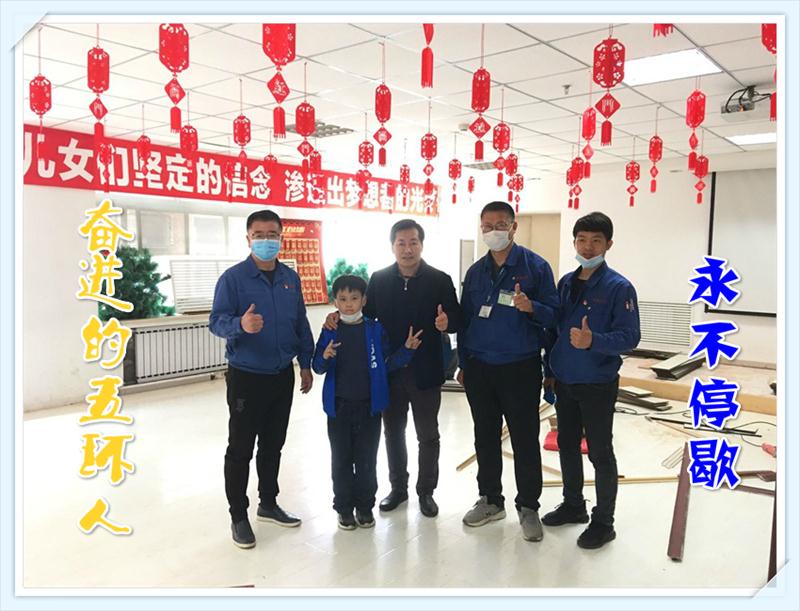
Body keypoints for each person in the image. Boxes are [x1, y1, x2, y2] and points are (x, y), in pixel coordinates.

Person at [325, 219, 460, 518]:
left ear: (422, 245)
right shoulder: (379, 279)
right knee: (393, 432)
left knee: (428, 434)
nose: (408, 249)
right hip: (388, 372)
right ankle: (398, 488)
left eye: (413, 242)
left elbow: (457, 317)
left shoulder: (440, 279)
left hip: (426, 370)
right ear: (392, 246)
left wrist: (447, 322)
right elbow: (362, 316)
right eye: (401, 243)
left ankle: (426, 491)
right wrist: (335, 317)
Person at [210, 209, 314, 549]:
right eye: (259, 235)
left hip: (281, 375)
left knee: (273, 444)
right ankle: (238, 515)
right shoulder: (233, 279)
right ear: (248, 239)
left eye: (272, 235)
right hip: (247, 377)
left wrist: (305, 363)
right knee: (240, 448)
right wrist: (240, 324)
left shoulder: (290, 278)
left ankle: (268, 503)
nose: (266, 241)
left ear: (281, 238)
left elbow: (300, 322)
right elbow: (216, 321)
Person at [457, 201, 559, 542]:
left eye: (500, 224)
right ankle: (490, 499)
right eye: (487, 226)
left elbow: (554, 316)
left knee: (524, 438)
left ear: (513, 227)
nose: (493, 231)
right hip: (480, 367)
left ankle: (528, 506)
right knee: (485, 436)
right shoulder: (476, 272)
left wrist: (532, 307)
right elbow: (466, 320)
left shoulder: (536, 267)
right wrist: (463, 363)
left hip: (520, 366)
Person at [541, 211, 640, 549]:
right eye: (582, 240)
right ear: (574, 242)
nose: (587, 247)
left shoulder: (619, 287)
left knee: (600, 452)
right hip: (565, 379)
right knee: (567, 445)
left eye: (596, 241)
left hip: (597, 381)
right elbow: (555, 330)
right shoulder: (566, 283)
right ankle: (573, 505)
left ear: (608, 244)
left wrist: (593, 340)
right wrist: (550, 372)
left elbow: (630, 337)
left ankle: (603, 522)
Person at [312, 275, 422, 530]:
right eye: (342, 299)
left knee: (366, 459)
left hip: (368, 407)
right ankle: (343, 509)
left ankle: (364, 507)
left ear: (364, 300)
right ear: (335, 301)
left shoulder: (374, 329)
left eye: (354, 298)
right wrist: (325, 356)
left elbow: (386, 365)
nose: (348, 304)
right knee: (341, 460)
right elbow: (317, 366)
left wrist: (406, 350)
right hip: (339, 407)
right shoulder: (330, 329)